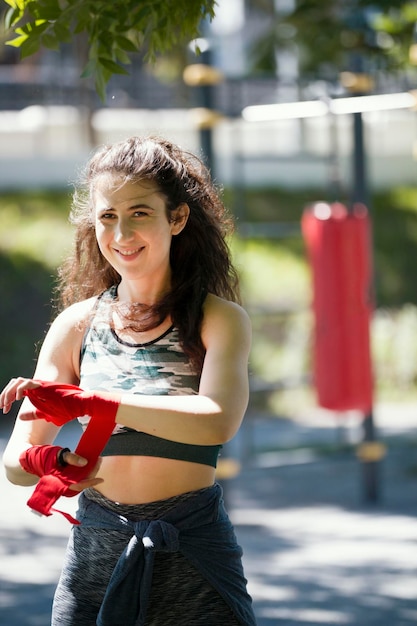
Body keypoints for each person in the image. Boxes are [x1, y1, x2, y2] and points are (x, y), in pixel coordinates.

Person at [0, 135, 257, 626]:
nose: (120, 232)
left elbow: (217, 422)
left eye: (139, 213)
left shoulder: (217, 319)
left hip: (191, 543)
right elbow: (15, 462)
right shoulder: (76, 324)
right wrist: (51, 461)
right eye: (107, 216)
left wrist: (100, 402)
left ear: (176, 218)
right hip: (96, 547)